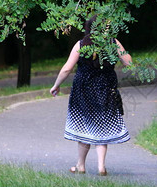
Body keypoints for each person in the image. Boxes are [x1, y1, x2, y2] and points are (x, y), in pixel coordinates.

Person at [50, 16, 132, 176]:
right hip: (106, 88)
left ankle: (81, 165)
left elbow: (67, 68)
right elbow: (128, 62)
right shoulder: (113, 43)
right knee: (101, 126)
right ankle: (101, 166)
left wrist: (56, 85)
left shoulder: (81, 44)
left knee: (84, 125)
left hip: (84, 90)